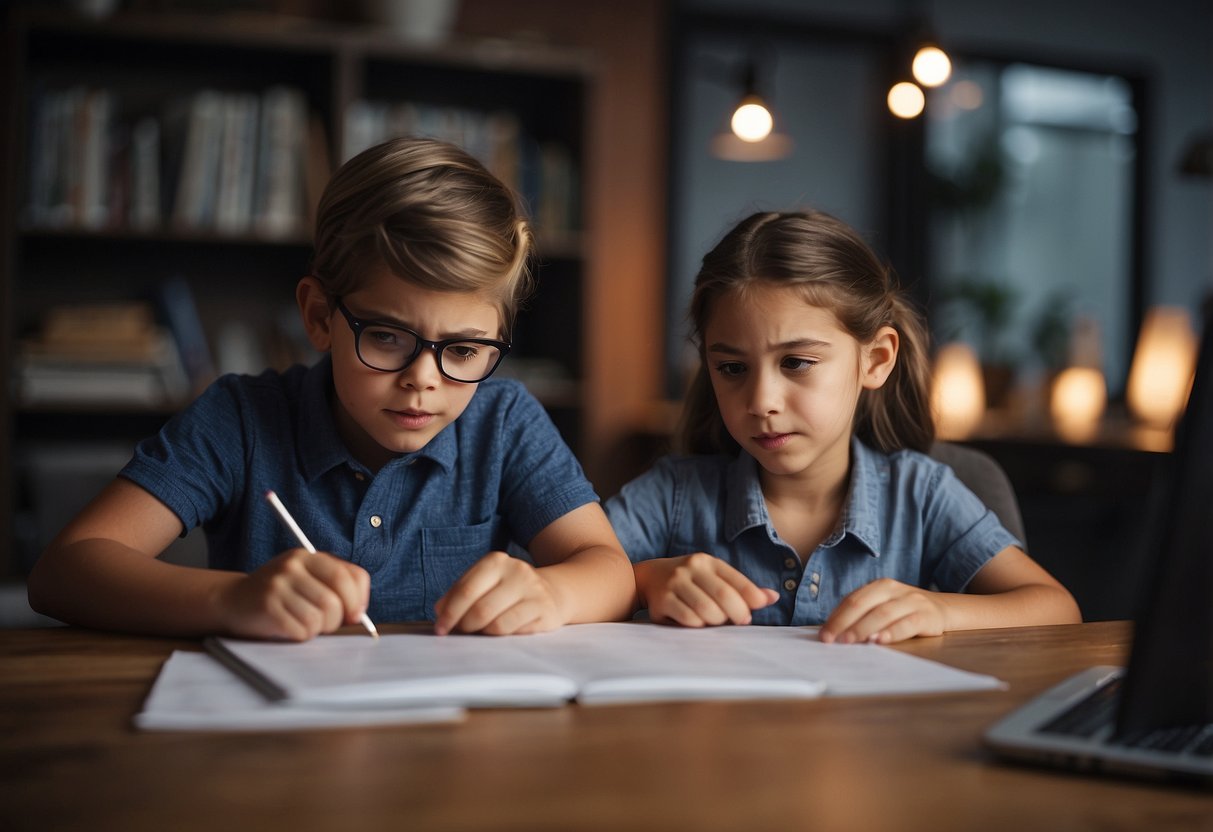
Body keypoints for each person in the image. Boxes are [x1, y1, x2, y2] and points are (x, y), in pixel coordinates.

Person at [28, 136, 634, 641]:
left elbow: (610, 570)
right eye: (389, 337)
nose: (424, 379)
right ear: (319, 316)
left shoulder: (505, 423)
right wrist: (233, 600)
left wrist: (551, 591)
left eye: (464, 350)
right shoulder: (240, 418)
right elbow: (65, 571)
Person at [605, 210, 1080, 644]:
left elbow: (1057, 609)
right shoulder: (673, 495)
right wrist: (645, 582)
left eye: (796, 362)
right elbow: (562, 579)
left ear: (875, 360)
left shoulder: (921, 495)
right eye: (732, 368)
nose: (761, 402)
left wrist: (938, 609)